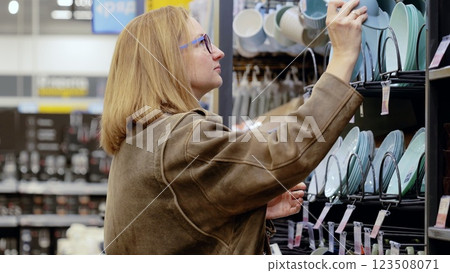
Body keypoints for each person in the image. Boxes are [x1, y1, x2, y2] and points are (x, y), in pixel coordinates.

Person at [101, 0, 368, 254]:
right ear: (167, 59)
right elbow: (287, 152)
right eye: (202, 43)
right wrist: (342, 57)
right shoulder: (178, 136)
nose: (218, 51)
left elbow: (175, 226)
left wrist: (252, 208)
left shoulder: (141, 135)